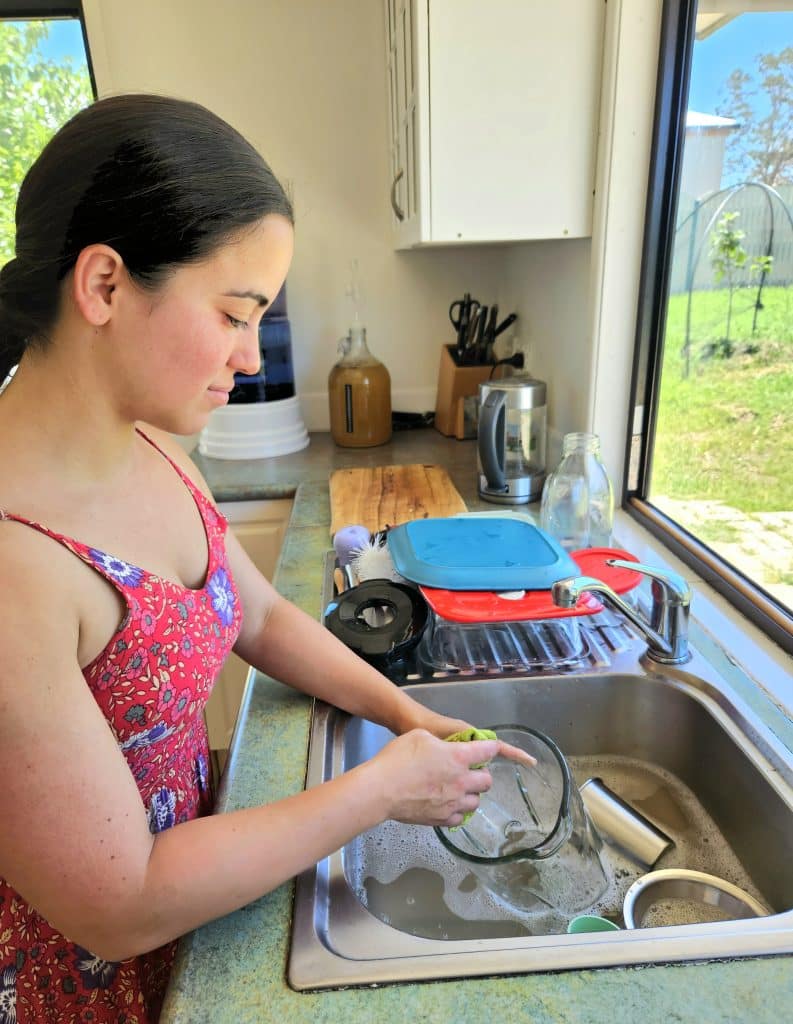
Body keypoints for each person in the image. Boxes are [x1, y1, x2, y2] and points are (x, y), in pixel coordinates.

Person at [0, 94, 532, 1024]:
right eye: (235, 314)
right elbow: (118, 903)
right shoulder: (14, 566)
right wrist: (378, 790)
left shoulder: (153, 444)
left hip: (198, 910)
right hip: (94, 984)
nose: (251, 356)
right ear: (105, 286)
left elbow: (261, 616)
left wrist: (408, 715)